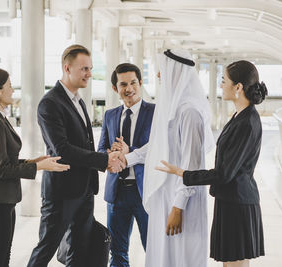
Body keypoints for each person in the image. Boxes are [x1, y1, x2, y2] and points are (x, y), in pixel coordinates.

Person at [156, 60, 267, 267]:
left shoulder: (247, 122)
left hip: (238, 203)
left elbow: (224, 173)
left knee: (235, 264)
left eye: (224, 80)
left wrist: (183, 173)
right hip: (231, 200)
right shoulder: (239, 116)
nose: (221, 85)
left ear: (238, 87)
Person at [115, 49, 214, 267]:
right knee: (164, 257)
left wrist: (178, 207)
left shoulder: (190, 112)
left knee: (182, 257)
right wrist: (127, 159)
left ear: (176, 72)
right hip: (166, 195)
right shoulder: (173, 109)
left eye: (163, 70)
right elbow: (158, 146)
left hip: (180, 201)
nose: (159, 76)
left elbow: (192, 165)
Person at [27, 44, 124, 267]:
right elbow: (62, 149)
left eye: (90, 69)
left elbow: (83, 144)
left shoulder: (78, 100)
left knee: (80, 249)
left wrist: (106, 154)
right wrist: (103, 160)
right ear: (67, 68)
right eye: (84, 69)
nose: (90, 74)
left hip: (84, 190)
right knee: (47, 247)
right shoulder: (50, 103)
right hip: (62, 192)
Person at [0, 68, 70, 267]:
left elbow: (4, 162)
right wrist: (38, 167)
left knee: (2, 257)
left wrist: (33, 162)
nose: (13, 90)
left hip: (2, 202)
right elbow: (2, 170)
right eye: (10, 86)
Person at [97, 63, 155, 266]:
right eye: (123, 84)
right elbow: (100, 149)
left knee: (154, 249)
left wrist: (129, 151)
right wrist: (110, 154)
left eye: (133, 83)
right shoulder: (110, 115)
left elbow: (159, 151)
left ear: (140, 83)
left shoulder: (155, 113)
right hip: (117, 192)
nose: (129, 88)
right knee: (117, 251)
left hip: (145, 192)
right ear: (115, 88)